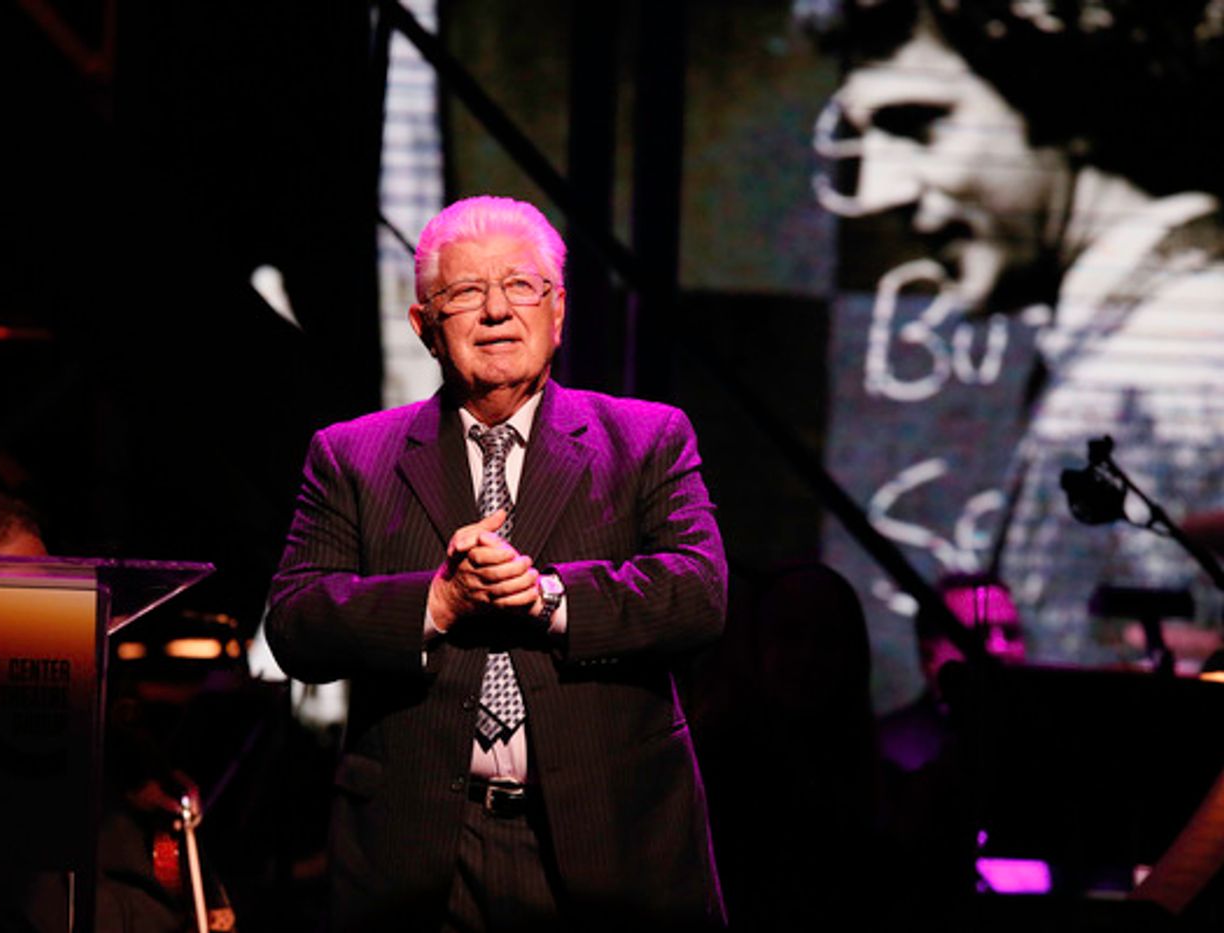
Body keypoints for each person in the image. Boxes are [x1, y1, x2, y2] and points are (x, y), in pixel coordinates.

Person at [265, 195, 727, 931]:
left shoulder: (645, 439)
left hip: (613, 843)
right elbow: (293, 621)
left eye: (520, 285)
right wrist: (436, 604)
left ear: (559, 310)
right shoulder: (351, 455)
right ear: (424, 326)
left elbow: (699, 591)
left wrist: (548, 597)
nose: (496, 312)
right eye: (465, 293)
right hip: (416, 854)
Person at [806, 0, 1224, 665]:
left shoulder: (1170, 361)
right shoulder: (1142, 345)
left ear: (1065, 96)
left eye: (918, 125)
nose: (879, 191)